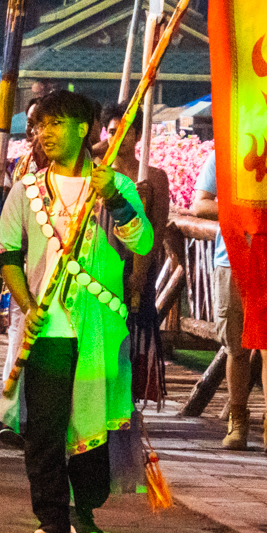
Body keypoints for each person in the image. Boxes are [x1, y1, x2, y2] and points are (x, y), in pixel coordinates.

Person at [0, 89, 153, 533]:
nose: (44, 133)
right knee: (43, 426)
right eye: (41, 125)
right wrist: (28, 308)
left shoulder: (116, 186)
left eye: (56, 124)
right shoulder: (26, 189)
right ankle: (51, 517)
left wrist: (116, 203)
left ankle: (85, 507)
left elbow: (141, 243)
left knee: (91, 420)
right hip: (47, 328)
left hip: (100, 325)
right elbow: (7, 253)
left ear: (84, 129)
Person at [188, 154, 267, 451]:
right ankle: (238, 419)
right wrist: (247, 213)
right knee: (235, 346)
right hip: (232, 258)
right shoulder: (222, 153)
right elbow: (200, 204)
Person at [103, 102, 172, 403]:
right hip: (104, 268)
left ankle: (129, 403)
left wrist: (141, 272)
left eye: (126, 132)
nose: (119, 138)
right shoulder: (98, 176)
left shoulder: (155, 178)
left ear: (137, 135)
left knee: (135, 339)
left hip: (138, 268)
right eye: (112, 132)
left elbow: (156, 230)